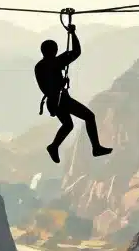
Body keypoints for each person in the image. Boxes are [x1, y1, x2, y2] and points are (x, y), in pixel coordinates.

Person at [35, 23, 113, 164]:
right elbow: (76, 51)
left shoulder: (41, 66)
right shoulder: (54, 63)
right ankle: (95, 148)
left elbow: (45, 85)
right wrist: (72, 33)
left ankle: (54, 146)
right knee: (89, 116)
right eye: (55, 50)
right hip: (61, 100)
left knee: (68, 125)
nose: (56, 52)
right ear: (52, 51)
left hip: (54, 101)